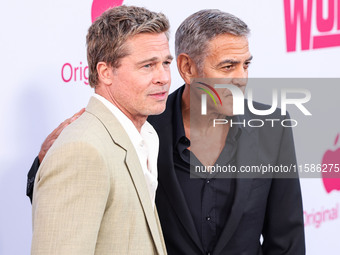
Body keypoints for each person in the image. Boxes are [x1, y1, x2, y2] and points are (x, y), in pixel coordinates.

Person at [27, 9, 305, 255]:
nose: (241, 78)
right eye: (228, 66)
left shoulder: (272, 126)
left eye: (246, 65)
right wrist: (42, 165)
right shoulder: (145, 128)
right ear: (188, 68)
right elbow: (79, 197)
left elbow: (287, 239)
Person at [30, 5, 172, 255]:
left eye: (165, 63)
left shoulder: (146, 136)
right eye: (148, 66)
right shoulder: (82, 150)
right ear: (105, 72)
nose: (163, 77)